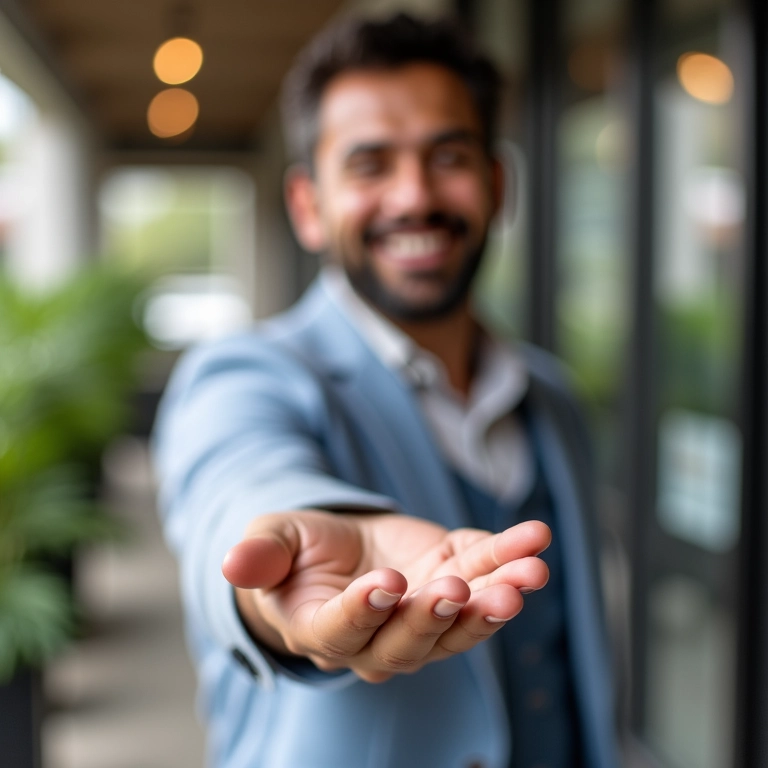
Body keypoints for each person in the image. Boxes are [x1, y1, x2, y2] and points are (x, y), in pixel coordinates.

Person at [153, 13, 620, 768]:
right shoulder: (244, 373)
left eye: (449, 156)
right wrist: (298, 553)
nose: (413, 197)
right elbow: (233, 485)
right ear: (308, 206)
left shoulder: (553, 398)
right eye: (371, 165)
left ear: (497, 185)